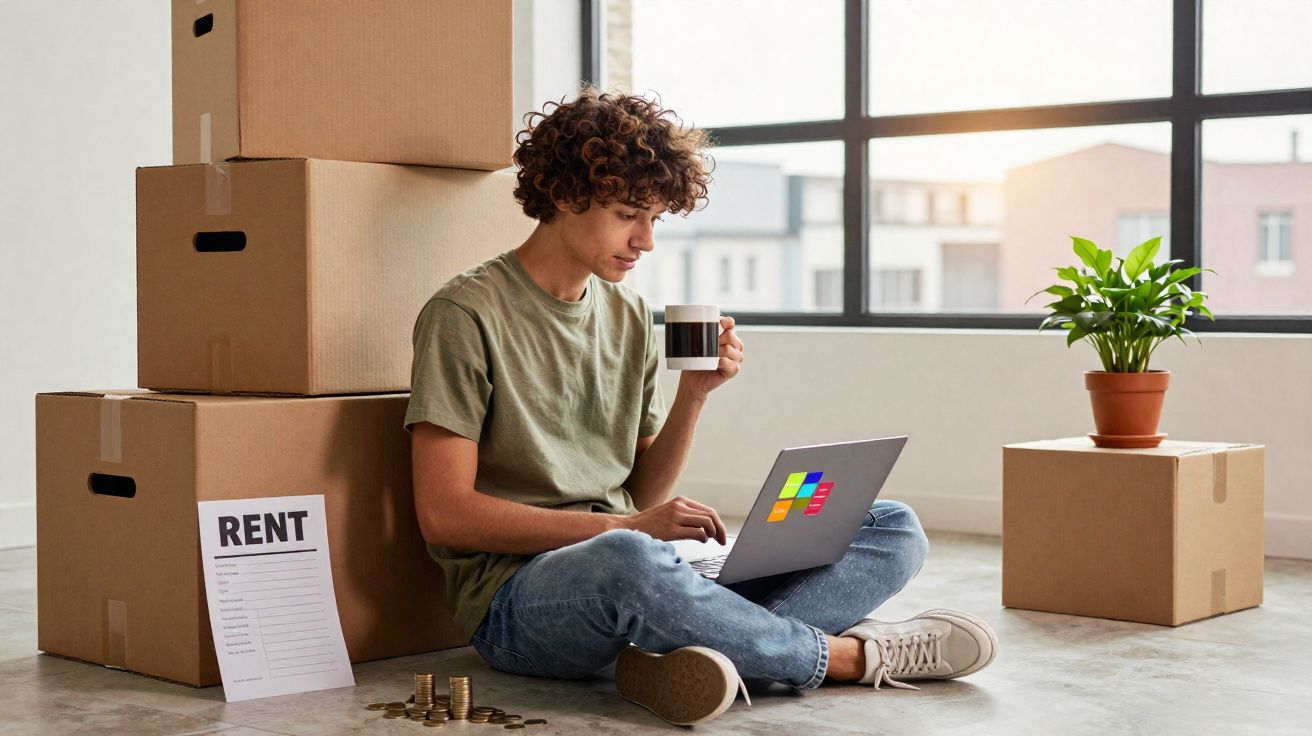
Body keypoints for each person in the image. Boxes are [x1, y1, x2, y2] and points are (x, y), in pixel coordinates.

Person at [404, 86, 998, 727]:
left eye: (656, 218)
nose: (646, 241)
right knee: (632, 562)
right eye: (632, 214)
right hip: (521, 601)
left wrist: (694, 396)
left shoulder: (628, 312)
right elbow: (445, 516)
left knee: (889, 524)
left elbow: (638, 489)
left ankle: (703, 653)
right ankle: (845, 658)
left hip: (640, 564)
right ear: (566, 195)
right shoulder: (464, 314)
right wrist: (625, 530)